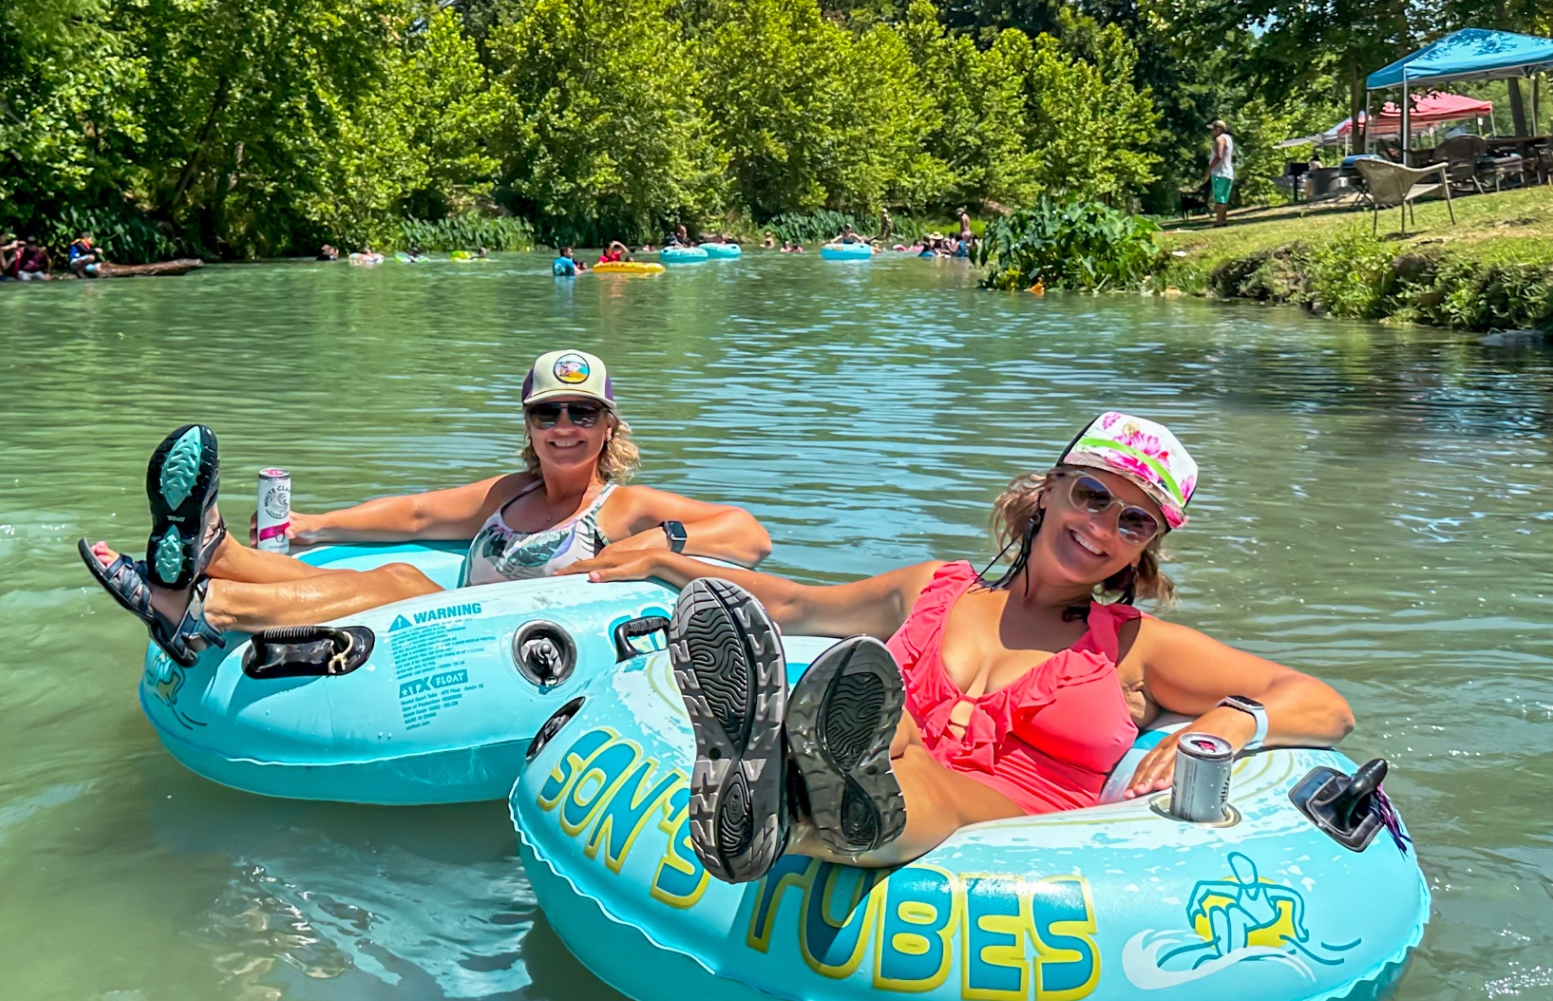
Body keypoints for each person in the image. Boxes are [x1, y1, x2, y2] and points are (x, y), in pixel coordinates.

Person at [567, 411, 1354, 883]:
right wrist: (668, 561)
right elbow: (802, 603)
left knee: (895, 743)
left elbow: (1326, 706)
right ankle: (785, 801)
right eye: (1092, 496)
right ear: (1049, 490)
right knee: (889, 728)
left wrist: (1231, 725)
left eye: (1134, 522)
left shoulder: (1136, 646)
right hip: (890, 772)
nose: (1102, 528)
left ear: (1146, 546)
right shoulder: (933, 588)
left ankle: (791, 794)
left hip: (1015, 832)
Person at [79, 350, 774, 666]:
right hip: (452, 624)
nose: (566, 426)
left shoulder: (624, 507)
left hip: (517, 645)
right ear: (530, 426)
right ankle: (218, 559)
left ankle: (201, 608)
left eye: (583, 412)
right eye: (548, 413)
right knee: (400, 576)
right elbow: (414, 518)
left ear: (607, 426)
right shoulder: (512, 493)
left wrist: (661, 545)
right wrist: (310, 525)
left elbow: (750, 535)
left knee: (397, 586)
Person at [1204, 120, 1235, 228]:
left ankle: (1219, 221)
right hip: (1228, 171)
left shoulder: (1219, 139)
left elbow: (1219, 155)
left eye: (1212, 130)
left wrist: (1209, 169)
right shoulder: (1229, 138)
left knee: (1219, 198)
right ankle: (1223, 220)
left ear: (1218, 129)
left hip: (1219, 172)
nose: (1211, 132)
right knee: (1224, 198)